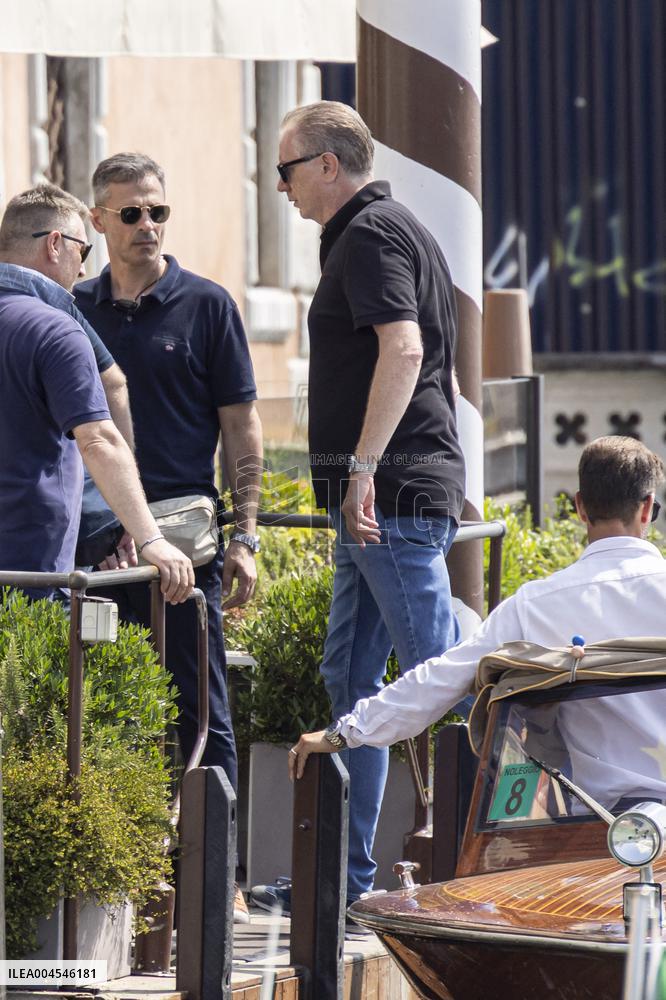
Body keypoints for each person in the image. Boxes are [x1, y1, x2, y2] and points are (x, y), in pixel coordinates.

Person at [261, 101, 466, 910]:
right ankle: (341, 883)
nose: (281, 189)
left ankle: (472, 873)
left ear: (327, 165)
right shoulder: (388, 229)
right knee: (354, 682)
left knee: (440, 684)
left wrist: (363, 472)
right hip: (385, 502)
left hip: (390, 500)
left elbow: (407, 346)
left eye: (285, 171)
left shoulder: (374, 234)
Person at [74, 153, 263, 922]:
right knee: (104, 712)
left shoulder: (208, 305)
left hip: (186, 548)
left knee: (202, 713)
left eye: (159, 213)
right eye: (131, 215)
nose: (148, 227)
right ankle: (124, 880)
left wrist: (246, 536)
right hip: (93, 549)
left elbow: (243, 431)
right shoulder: (72, 308)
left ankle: (222, 883)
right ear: (97, 223)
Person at [289, 437, 666, 780]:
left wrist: (343, 732)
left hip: (582, 820)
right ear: (647, 508)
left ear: (580, 507)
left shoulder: (534, 604)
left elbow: (441, 677)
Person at [0, 183, 193, 604]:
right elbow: (99, 440)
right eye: (82, 252)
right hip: (27, 571)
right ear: (55, 244)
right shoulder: (55, 329)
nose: (84, 270)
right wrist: (150, 538)